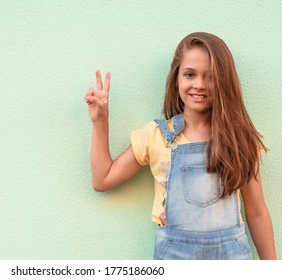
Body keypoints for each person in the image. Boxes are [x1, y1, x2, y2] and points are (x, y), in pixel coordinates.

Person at [84, 32, 276, 260]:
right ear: (176, 79)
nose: (199, 85)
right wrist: (100, 121)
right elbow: (102, 180)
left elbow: (256, 213)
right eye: (189, 74)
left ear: (225, 81)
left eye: (211, 77)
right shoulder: (155, 136)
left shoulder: (239, 139)